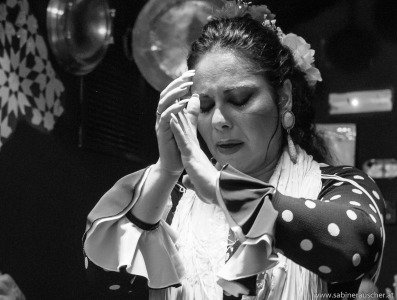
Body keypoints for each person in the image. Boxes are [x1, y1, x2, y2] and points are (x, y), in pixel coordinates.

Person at [83, 1, 386, 299]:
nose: (218, 121)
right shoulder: (172, 196)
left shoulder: (337, 186)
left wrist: (220, 188)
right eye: (204, 105)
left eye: (239, 99)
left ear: (283, 99)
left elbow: (354, 246)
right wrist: (165, 172)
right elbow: (103, 282)